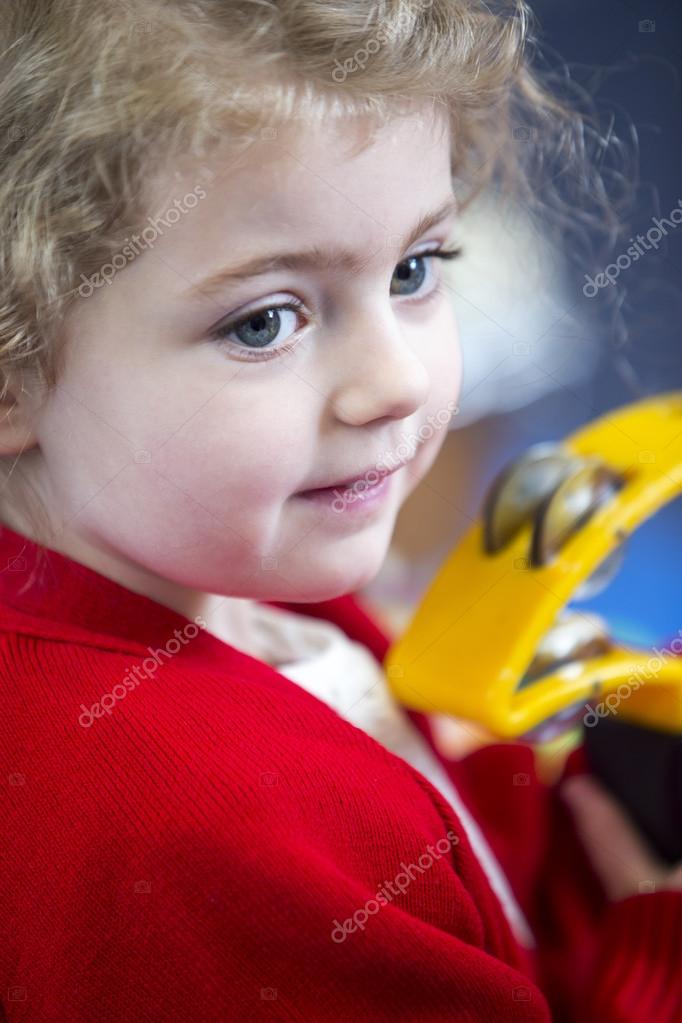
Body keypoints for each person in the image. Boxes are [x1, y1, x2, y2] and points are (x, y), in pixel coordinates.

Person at [0, 1, 679, 1020]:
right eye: (265, 321)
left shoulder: (233, 572)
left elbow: (447, 868)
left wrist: (595, 808)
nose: (395, 383)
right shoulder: (198, 832)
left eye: (414, 270)